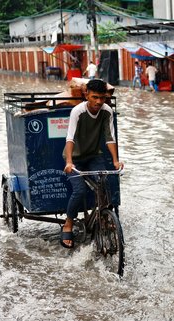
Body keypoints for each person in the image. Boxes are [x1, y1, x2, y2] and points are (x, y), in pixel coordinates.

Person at [60, 79, 123, 248]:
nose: (98, 102)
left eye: (102, 98)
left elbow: (110, 137)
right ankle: (68, 223)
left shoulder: (107, 111)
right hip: (74, 158)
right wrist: (69, 161)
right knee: (79, 190)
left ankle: (104, 216)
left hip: (94, 156)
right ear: (86, 94)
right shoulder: (77, 111)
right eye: (95, 97)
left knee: (104, 182)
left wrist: (116, 161)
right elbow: (70, 137)